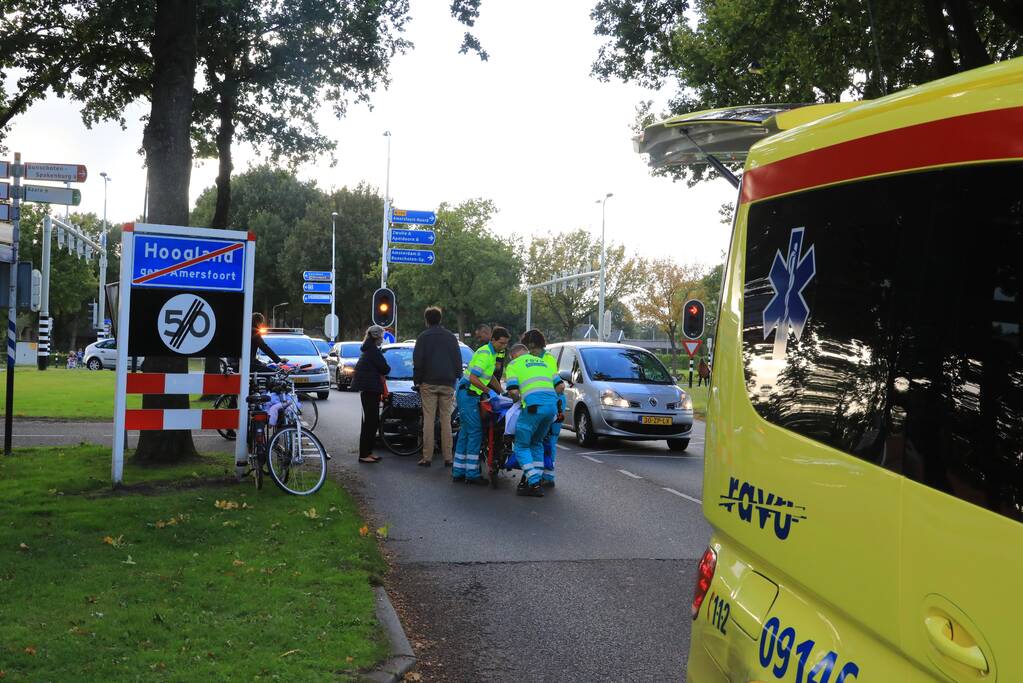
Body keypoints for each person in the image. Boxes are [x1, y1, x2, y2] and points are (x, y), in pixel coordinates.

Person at [504, 342, 565, 497]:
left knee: (521, 446)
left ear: (514, 355)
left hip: (532, 408)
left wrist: (518, 400)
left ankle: (534, 482)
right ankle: (535, 483)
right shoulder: (544, 362)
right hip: (551, 408)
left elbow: (513, 392)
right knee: (537, 443)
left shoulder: (514, 364)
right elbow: (560, 387)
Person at [454, 326, 510, 483]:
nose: (503, 347)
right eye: (501, 343)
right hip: (468, 394)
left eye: (506, 344)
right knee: (475, 432)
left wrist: (501, 392)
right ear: (493, 339)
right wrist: (488, 391)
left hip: (468, 394)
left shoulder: (492, 353)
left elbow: (490, 376)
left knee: (465, 432)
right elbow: (473, 378)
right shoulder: (486, 354)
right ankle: (472, 474)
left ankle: (459, 471)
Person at [413, 306, 462, 467]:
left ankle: (427, 456)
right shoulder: (450, 337)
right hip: (447, 382)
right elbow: (457, 358)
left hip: (428, 382)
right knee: (446, 420)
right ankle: (448, 457)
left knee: (428, 420)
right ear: (440, 319)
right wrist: (457, 375)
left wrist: (417, 380)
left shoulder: (423, 337)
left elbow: (418, 360)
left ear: (426, 320)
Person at [521, 329, 562, 487]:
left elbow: (555, 384)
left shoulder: (547, 359)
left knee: (549, 439)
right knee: (540, 439)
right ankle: (540, 473)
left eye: (530, 348)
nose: (529, 352)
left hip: (552, 401)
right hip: (545, 401)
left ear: (534, 345)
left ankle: (548, 476)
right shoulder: (537, 358)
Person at [351, 325, 390, 464]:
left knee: (370, 422)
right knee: (370, 422)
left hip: (368, 389)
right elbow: (385, 368)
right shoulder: (373, 351)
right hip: (370, 389)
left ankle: (368, 452)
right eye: (382, 337)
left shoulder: (368, 348)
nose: (382, 339)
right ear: (376, 337)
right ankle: (364, 454)